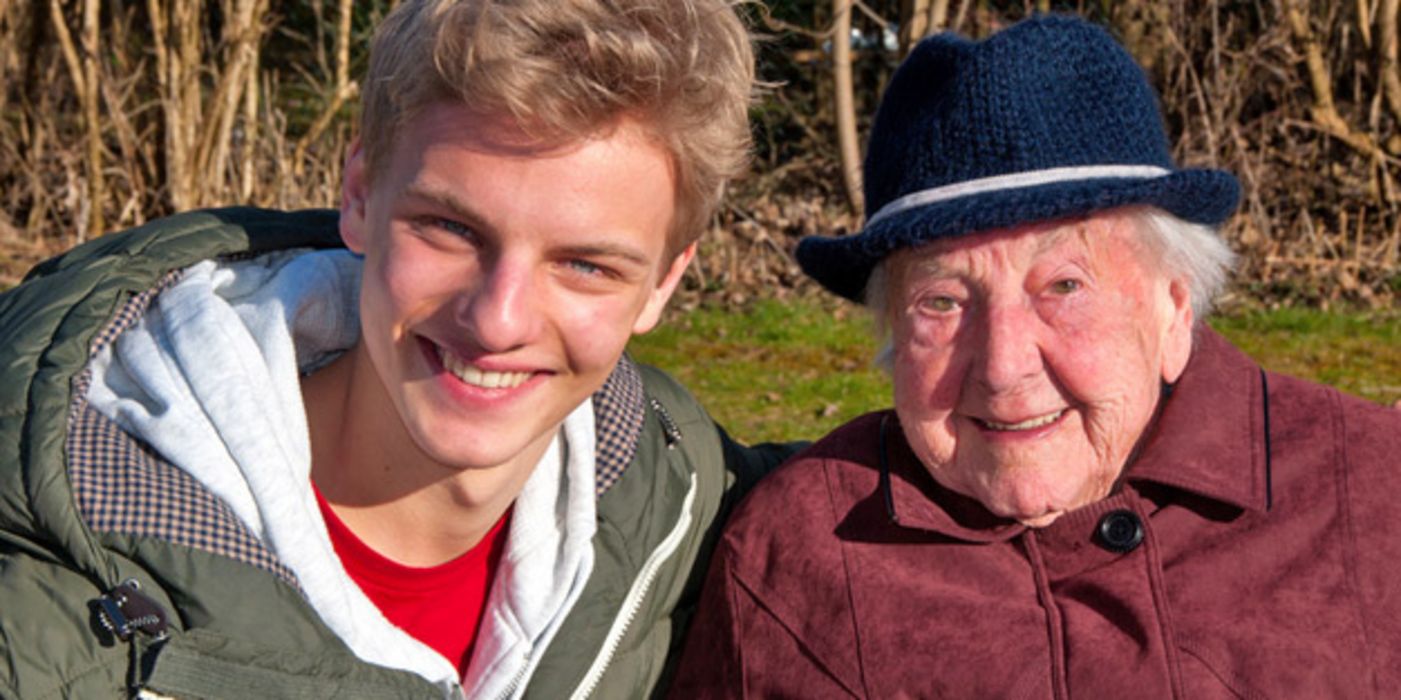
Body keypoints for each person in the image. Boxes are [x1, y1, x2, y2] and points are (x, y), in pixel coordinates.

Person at [0, 1, 795, 697]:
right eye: (450, 228)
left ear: (663, 281)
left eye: (585, 264)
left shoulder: (679, 500)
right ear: (359, 195)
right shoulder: (53, 593)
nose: (497, 320)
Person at [672, 14, 1401, 698]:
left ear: (1174, 309)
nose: (1001, 366)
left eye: (1062, 285)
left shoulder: (1370, 494)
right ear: (892, 331)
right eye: (942, 301)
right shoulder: (797, 554)